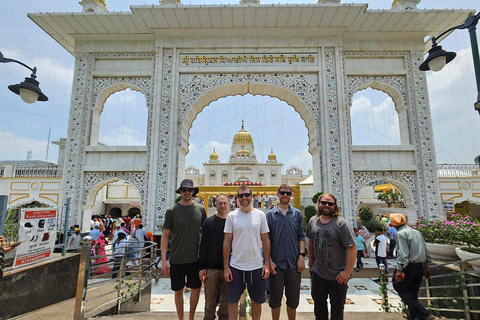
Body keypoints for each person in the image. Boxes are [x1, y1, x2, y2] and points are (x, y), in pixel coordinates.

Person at [161, 179, 207, 320]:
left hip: (195, 258)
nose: (187, 192)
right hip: (177, 258)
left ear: (193, 192)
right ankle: (181, 318)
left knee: (196, 289)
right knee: (178, 290)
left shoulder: (200, 209)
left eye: (190, 190)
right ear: (180, 192)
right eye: (184, 190)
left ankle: (191, 317)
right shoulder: (172, 210)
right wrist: (164, 260)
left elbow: (206, 234)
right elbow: (165, 235)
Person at [307, 193, 356, 320]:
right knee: (319, 308)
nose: (326, 206)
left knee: (337, 311)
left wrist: (347, 272)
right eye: (324, 202)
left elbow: (352, 248)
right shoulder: (313, 221)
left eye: (330, 203)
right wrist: (311, 263)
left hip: (337, 275)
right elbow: (311, 241)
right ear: (318, 204)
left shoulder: (341, 224)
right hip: (319, 273)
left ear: (335, 206)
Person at [223, 186, 270, 320]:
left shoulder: (260, 215)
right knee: (232, 302)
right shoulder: (232, 216)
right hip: (236, 266)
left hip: (256, 266)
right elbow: (227, 242)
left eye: (246, 195)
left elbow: (265, 240)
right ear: (237, 198)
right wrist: (226, 267)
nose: (244, 198)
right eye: (241, 196)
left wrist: (266, 263)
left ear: (252, 196)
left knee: (257, 302)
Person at [266, 184, 305, 320]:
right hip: (276, 264)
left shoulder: (297, 214)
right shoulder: (270, 215)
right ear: (277, 194)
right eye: (282, 193)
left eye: (288, 193)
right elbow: (266, 240)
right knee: (275, 299)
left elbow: (301, 236)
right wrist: (268, 261)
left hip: (293, 263)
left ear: (291, 195)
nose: (285, 195)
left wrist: (301, 256)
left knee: (293, 300)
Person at [390, 213, 435, 320]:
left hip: (408, 266)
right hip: (419, 266)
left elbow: (403, 253)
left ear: (394, 225)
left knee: (398, 285)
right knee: (412, 291)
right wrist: (427, 266)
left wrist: (399, 270)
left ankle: (425, 314)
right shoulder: (417, 232)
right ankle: (412, 315)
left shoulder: (401, 234)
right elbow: (426, 250)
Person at [198, 193, 230, 320]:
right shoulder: (209, 222)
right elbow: (203, 245)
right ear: (215, 204)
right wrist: (202, 267)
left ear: (229, 204)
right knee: (210, 300)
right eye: (220, 203)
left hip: (229, 268)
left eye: (224, 203)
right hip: (211, 267)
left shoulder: (233, 221)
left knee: (226, 300)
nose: (222, 205)